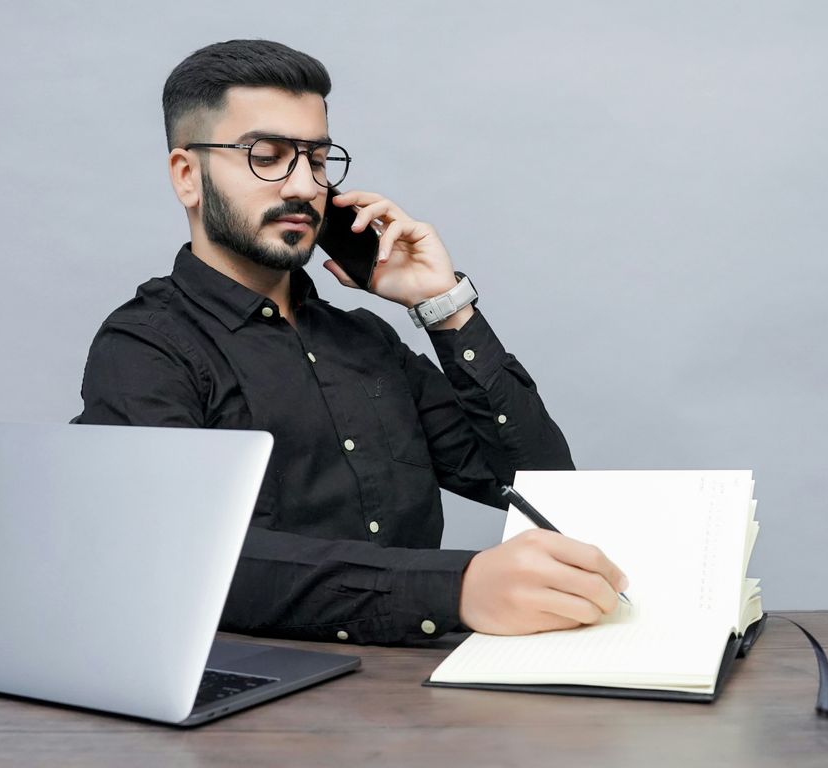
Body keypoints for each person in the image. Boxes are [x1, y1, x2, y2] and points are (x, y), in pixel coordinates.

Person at [75, 39, 627, 645]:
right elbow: (185, 562)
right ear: (188, 175)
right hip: (249, 708)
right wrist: (456, 587)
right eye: (268, 155)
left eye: (316, 159)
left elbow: (543, 483)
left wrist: (443, 307)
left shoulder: (367, 341)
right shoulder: (144, 349)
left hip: (415, 692)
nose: (305, 186)